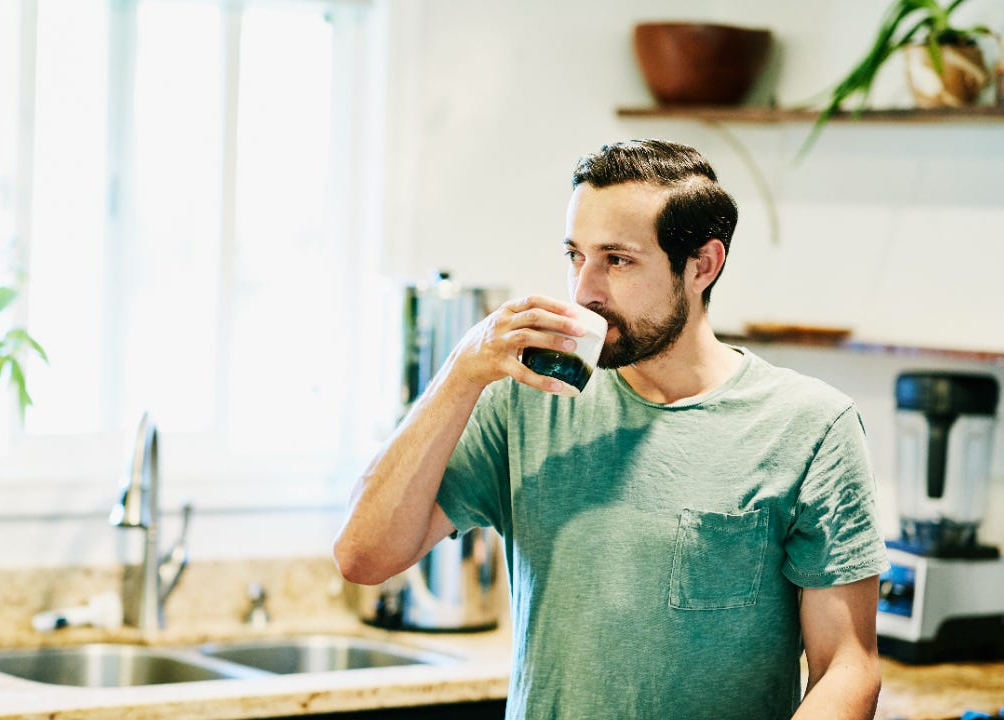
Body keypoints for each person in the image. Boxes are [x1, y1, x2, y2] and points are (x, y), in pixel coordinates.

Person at [333, 139, 888, 719]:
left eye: (616, 260)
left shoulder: (810, 428)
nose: (584, 290)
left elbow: (848, 666)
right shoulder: (526, 399)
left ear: (703, 265)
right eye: (576, 256)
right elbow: (363, 556)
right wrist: (461, 371)